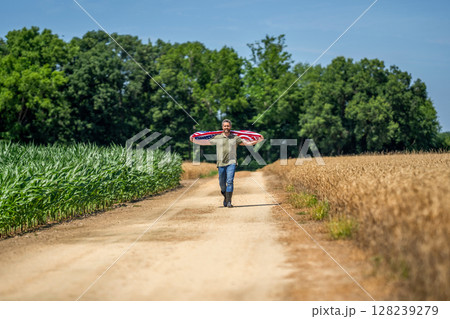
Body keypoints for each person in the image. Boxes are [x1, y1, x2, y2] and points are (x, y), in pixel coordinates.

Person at [190, 119, 264, 208]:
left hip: (231, 162)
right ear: (222, 127)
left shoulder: (235, 137)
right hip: (220, 163)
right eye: (225, 126)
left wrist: (258, 141)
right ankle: (225, 197)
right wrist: (194, 140)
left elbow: (246, 143)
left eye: (228, 126)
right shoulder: (217, 137)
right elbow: (205, 142)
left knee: (229, 181)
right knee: (222, 184)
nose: (226, 127)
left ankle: (229, 202)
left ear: (230, 127)